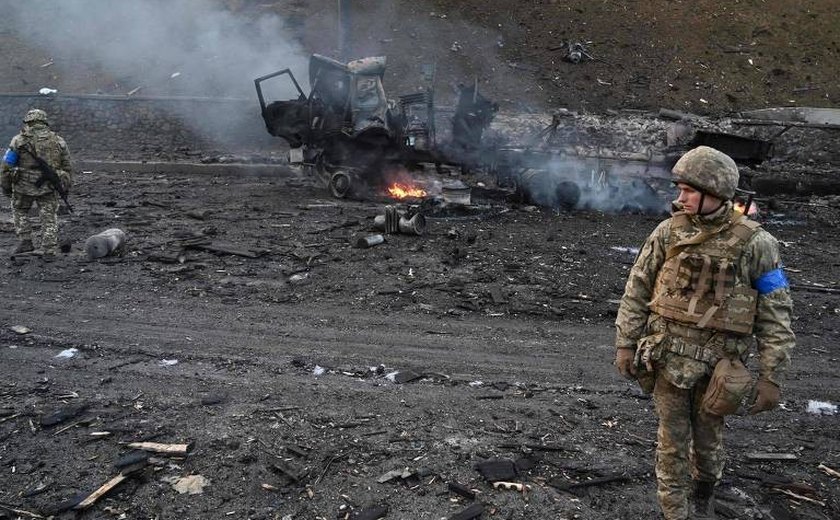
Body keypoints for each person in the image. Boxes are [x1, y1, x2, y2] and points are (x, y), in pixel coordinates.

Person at [613, 146, 795, 520]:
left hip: (721, 366)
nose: (680, 198)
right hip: (667, 358)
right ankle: (674, 512)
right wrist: (625, 343)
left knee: (709, 441)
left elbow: (776, 312)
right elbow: (638, 288)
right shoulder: (668, 232)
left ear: (716, 193)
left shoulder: (757, 244)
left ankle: (704, 495)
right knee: (671, 443)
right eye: (680, 189)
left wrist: (771, 376)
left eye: (689, 191)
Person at [1, 108, 73, 257]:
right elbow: (67, 166)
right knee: (49, 216)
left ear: (28, 122)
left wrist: (6, 186)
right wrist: (65, 186)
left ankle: (26, 241)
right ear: (44, 122)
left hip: (23, 186)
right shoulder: (58, 140)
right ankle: (49, 247)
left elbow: (7, 166)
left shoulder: (18, 140)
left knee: (20, 210)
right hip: (48, 185)